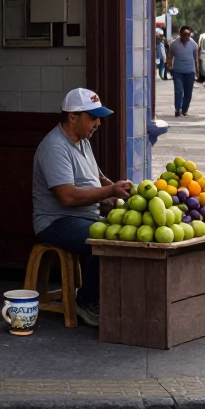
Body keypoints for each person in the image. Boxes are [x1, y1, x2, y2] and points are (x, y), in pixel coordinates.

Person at [32, 89, 131, 327]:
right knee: (103, 235)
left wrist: (122, 191)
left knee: (124, 231)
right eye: (93, 117)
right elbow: (67, 197)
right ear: (73, 117)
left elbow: (97, 177)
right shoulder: (55, 147)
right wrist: (110, 192)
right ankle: (86, 302)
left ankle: (108, 298)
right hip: (56, 221)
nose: (98, 123)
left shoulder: (83, 142)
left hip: (86, 216)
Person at [166, 25, 200, 117]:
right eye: (184, 34)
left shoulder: (194, 45)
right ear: (180, 34)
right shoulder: (174, 44)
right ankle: (178, 109)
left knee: (188, 93)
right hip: (178, 72)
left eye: (188, 34)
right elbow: (169, 56)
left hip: (190, 72)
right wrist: (169, 66)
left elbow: (196, 58)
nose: (186, 37)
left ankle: (184, 110)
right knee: (179, 91)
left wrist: (197, 70)